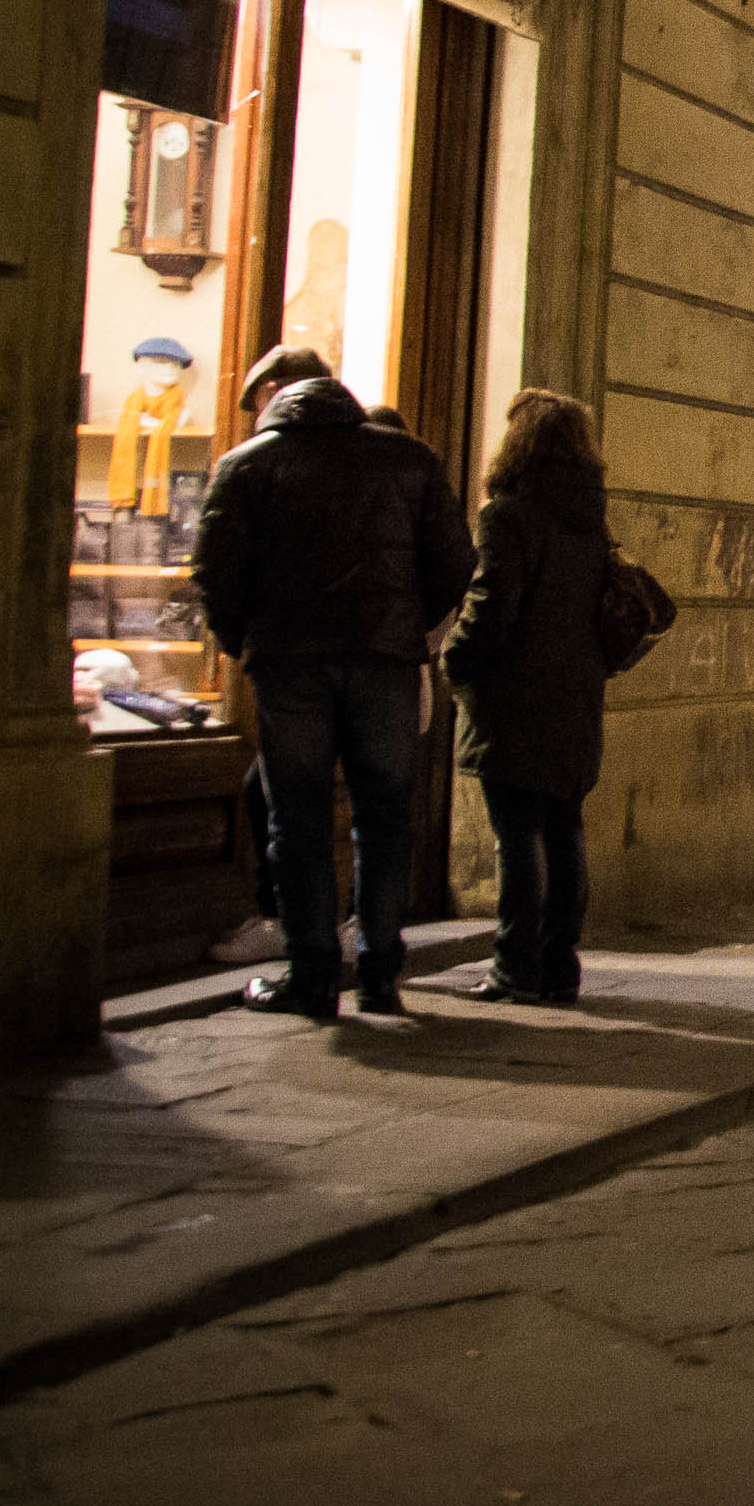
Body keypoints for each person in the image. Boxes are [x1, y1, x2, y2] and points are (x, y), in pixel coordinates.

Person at [196, 343, 474, 1020]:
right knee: (384, 816)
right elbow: (456, 562)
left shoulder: (245, 466)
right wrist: (407, 630)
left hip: (290, 664)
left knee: (298, 818)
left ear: (274, 401)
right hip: (383, 661)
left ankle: (313, 975)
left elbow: (215, 573)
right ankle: (379, 972)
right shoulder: (408, 460)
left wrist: (245, 642)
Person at [442, 389, 614, 1007]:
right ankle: (559, 967)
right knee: (563, 828)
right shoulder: (590, 518)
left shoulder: (507, 514)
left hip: (515, 696)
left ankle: (515, 966)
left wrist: (454, 658)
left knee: (515, 836)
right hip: (574, 694)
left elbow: (492, 605)